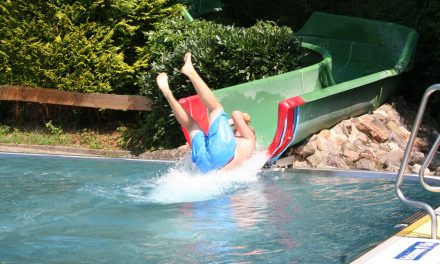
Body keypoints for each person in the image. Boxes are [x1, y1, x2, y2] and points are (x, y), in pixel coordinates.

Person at [156, 52, 256, 173]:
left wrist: (243, 117)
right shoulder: (247, 151)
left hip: (223, 153)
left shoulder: (249, 138)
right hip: (207, 168)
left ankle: (190, 71)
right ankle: (167, 93)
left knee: (216, 109)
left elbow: (235, 114)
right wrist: (231, 123)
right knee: (191, 126)